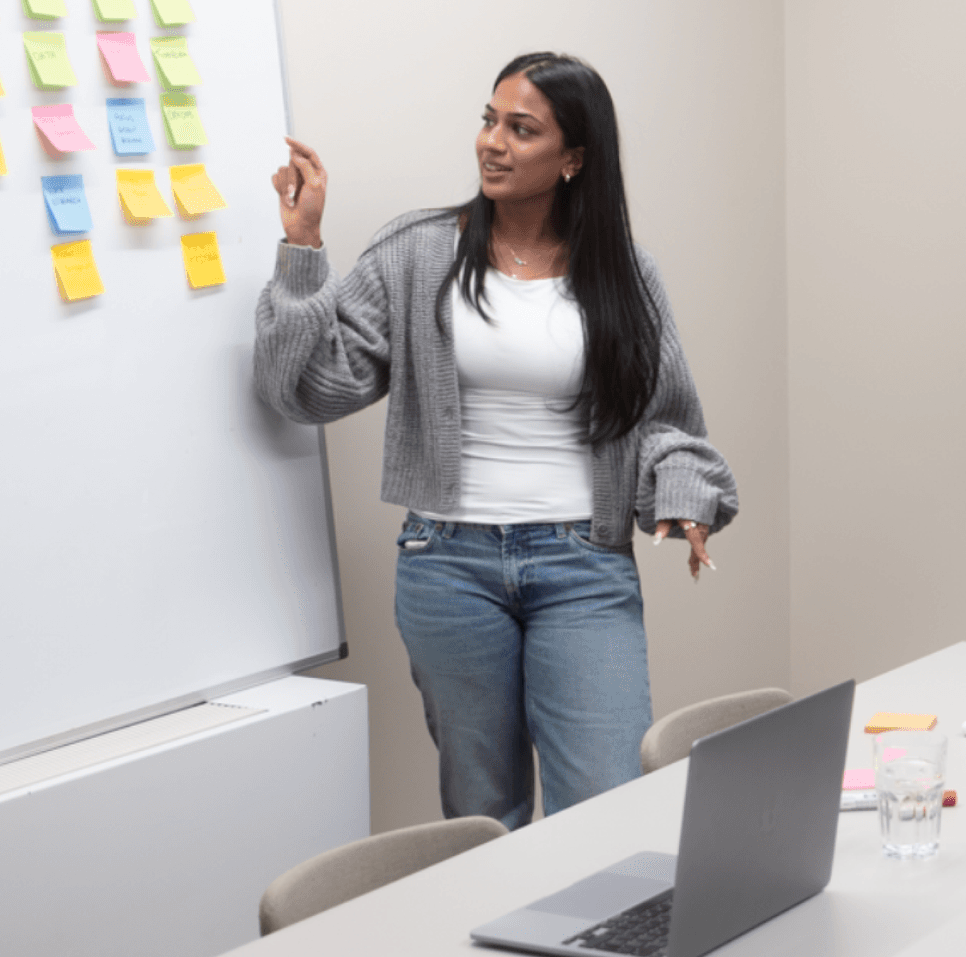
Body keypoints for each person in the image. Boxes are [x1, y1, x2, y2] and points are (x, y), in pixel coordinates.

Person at [253, 53, 737, 830]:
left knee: (607, 804)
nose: (493, 143)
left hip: (584, 562)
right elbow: (302, 389)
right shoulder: (417, 252)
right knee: (485, 817)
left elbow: (668, 418)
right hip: (448, 565)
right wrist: (304, 248)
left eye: (522, 129)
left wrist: (685, 499)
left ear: (573, 158)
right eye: (488, 120)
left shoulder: (624, 276)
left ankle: (599, 948)